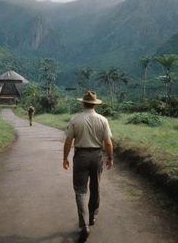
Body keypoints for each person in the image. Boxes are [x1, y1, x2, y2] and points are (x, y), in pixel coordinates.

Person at [63, 91, 113, 243]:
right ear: (94, 104)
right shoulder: (103, 120)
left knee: (80, 191)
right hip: (97, 156)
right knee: (95, 187)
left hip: (81, 157)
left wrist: (65, 158)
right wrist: (110, 158)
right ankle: (92, 216)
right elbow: (108, 142)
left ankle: (84, 225)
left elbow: (68, 141)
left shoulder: (75, 119)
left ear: (83, 103)